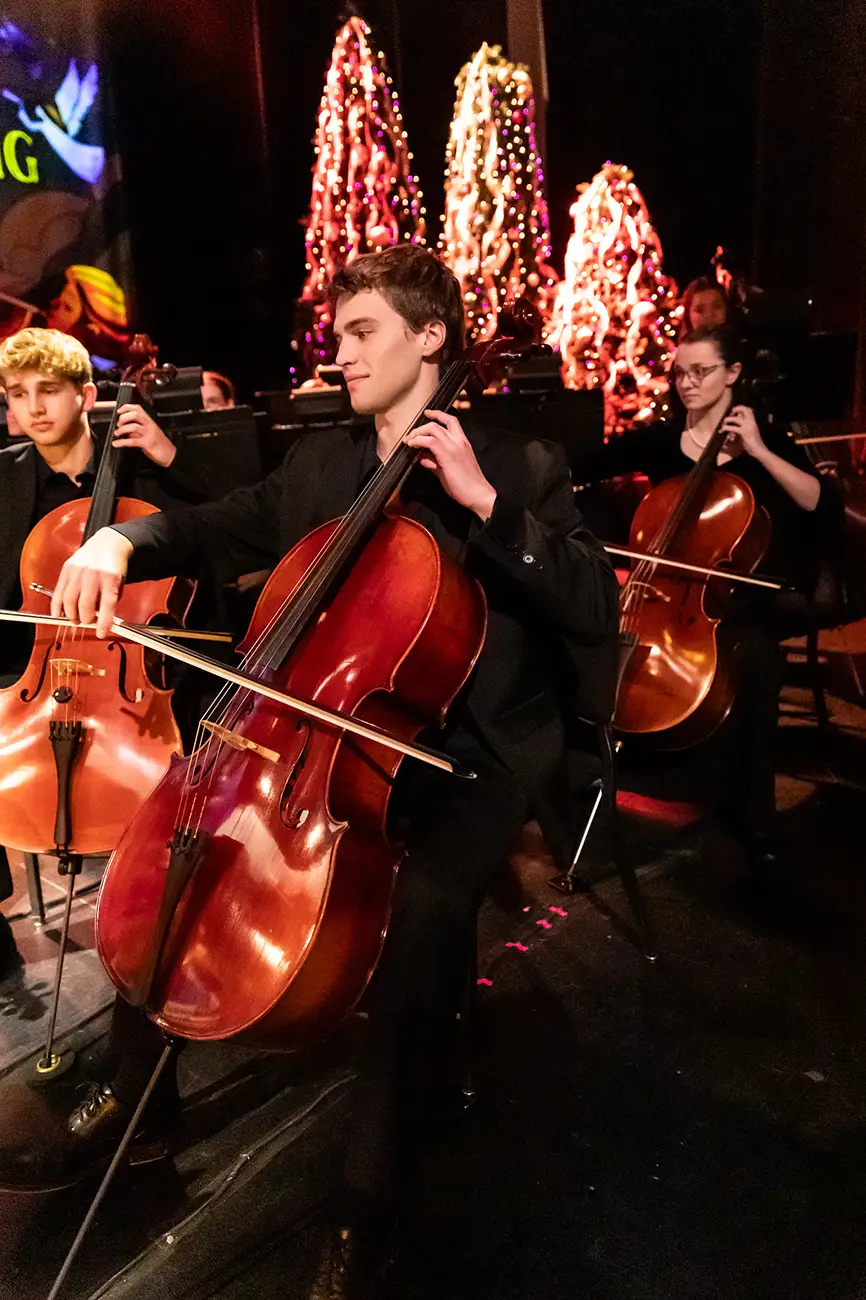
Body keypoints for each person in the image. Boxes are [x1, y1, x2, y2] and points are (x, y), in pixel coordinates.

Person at [3, 247, 619, 1298]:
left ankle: (366, 1197)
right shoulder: (325, 466)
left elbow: (590, 605)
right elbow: (213, 524)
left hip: (464, 755)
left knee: (422, 914)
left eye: (362, 331)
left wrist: (484, 508)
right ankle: (130, 1100)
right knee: (185, 852)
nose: (340, 351)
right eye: (338, 333)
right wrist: (121, 544)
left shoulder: (517, 463)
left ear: (432, 337)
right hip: (314, 733)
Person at [571, 323, 835, 863]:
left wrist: (759, 450)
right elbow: (584, 464)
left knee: (755, 655)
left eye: (700, 372)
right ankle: (604, 775)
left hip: (740, 592)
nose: (686, 383)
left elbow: (820, 503)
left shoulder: (764, 438)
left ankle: (753, 813)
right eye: (679, 373)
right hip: (666, 591)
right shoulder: (666, 439)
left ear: (733, 374)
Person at [0, 328, 209, 984]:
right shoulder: (6, 480)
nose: (33, 408)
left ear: (87, 396)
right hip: (35, 669)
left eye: (49, 391)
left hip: (134, 677)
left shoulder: (141, 474)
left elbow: (221, 531)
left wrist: (170, 454)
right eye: (17, 395)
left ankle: (161, 929)